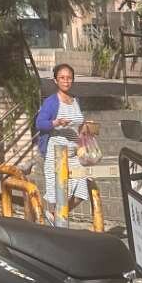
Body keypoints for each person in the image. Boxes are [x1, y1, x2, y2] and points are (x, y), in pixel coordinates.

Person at [34, 63, 86, 221]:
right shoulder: (51, 102)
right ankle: (57, 221)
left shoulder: (76, 100)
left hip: (74, 155)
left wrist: (86, 128)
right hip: (57, 155)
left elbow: (79, 124)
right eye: (62, 78)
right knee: (60, 195)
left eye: (69, 78)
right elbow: (39, 123)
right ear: (55, 80)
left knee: (81, 191)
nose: (66, 81)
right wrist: (56, 122)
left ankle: (55, 216)